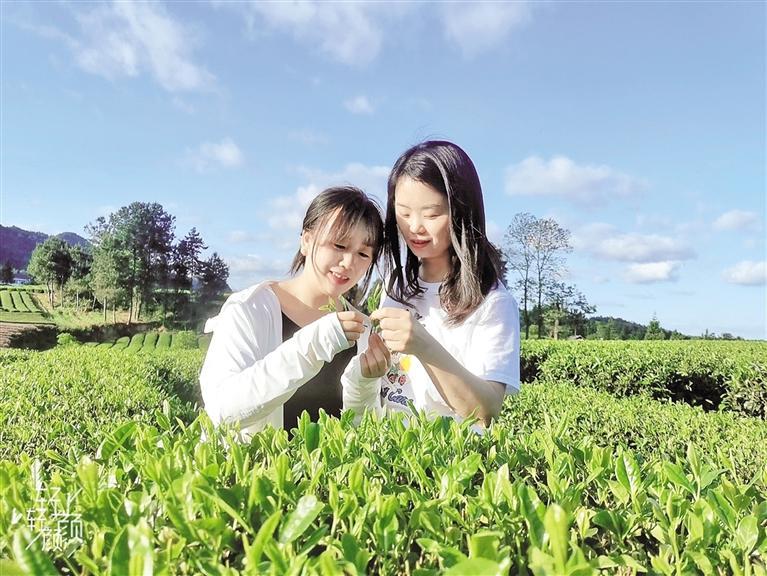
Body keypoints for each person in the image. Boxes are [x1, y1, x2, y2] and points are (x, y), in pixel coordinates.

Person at [342, 141, 520, 428]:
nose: (415, 227)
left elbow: (486, 410)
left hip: (448, 464)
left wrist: (423, 345)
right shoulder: (396, 286)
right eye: (404, 212)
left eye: (432, 214)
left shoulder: (493, 302)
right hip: (388, 456)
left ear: (463, 211)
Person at [199, 186, 385, 438]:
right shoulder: (250, 308)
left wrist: (365, 385)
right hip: (256, 474)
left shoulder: (361, 328)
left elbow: (362, 431)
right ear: (306, 241)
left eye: (363, 253)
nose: (348, 263)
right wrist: (314, 344)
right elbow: (223, 410)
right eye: (339, 245)